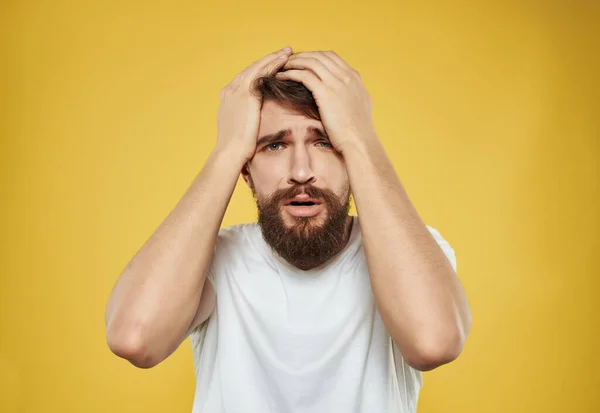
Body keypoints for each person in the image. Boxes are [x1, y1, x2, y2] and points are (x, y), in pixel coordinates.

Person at [105, 46, 472, 413]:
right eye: (275, 145)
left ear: (351, 160)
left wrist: (361, 138)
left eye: (325, 142)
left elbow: (433, 342)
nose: (300, 171)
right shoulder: (212, 261)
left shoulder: (415, 252)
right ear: (246, 171)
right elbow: (136, 338)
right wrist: (228, 150)